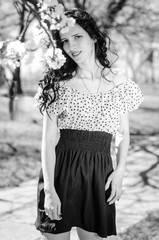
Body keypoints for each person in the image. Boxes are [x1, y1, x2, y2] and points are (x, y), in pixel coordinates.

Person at [34, 8, 144, 240]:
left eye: (77, 37)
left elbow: (123, 133)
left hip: (99, 176)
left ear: (93, 36)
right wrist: (50, 190)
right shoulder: (57, 85)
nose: (71, 46)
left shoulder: (118, 81)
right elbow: (48, 141)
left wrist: (121, 171)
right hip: (60, 174)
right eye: (64, 41)